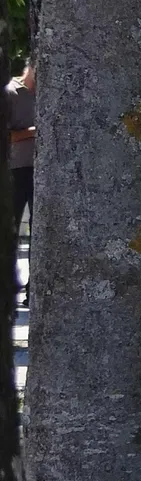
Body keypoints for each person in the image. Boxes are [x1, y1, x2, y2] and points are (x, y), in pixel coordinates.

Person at [9, 61, 35, 305]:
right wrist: (35, 131)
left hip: (40, 173)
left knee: (39, 233)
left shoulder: (49, 93)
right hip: (16, 170)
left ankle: (32, 291)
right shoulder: (11, 92)